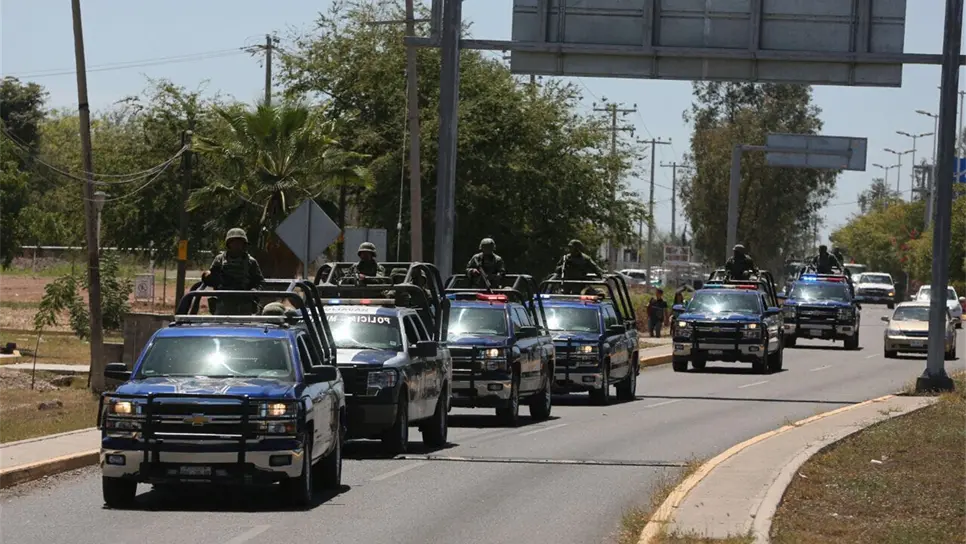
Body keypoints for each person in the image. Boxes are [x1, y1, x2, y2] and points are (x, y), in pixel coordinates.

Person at [202, 228, 264, 315]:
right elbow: (211, 277)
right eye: (234, 242)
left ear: (244, 244)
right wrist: (208, 276)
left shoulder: (251, 261)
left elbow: (260, 281)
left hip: (244, 303)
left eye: (239, 242)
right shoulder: (219, 259)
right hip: (223, 301)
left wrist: (253, 291)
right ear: (229, 244)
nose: (237, 245)